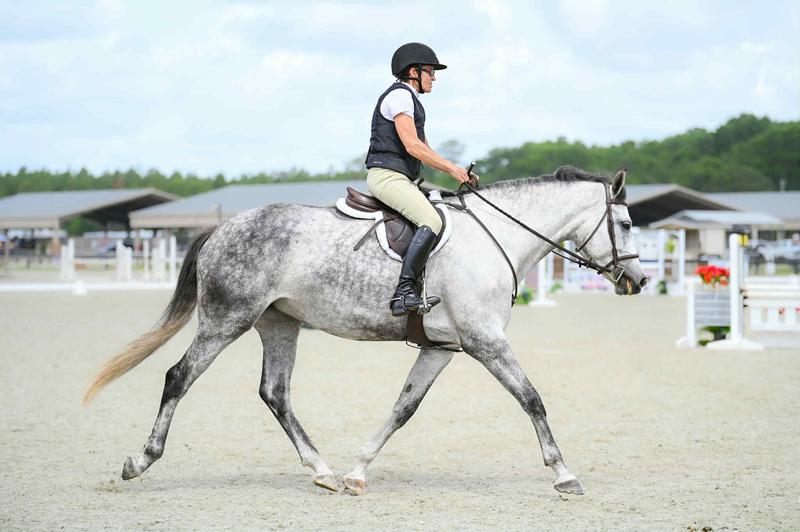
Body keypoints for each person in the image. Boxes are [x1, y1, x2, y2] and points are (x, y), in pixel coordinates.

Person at [365, 42, 471, 317]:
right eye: (430, 72)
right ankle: (403, 293)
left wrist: (457, 170)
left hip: (401, 178)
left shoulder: (411, 101)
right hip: (387, 177)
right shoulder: (400, 97)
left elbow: (425, 149)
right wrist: (451, 169)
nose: (434, 78)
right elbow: (412, 146)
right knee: (432, 220)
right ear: (414, 72)